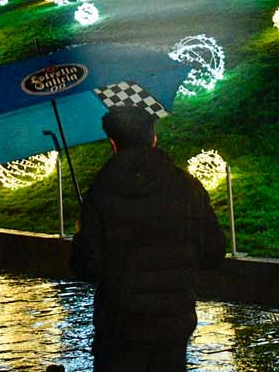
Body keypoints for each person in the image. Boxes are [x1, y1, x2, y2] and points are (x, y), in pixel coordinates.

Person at [71, 105, 226, 372]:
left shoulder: (100, 192)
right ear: (153, 138)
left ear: (113, 143)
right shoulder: (187, 187)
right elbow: (214, 251)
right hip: (173, 324)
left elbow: (87, 266)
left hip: (119, 327)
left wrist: (79, 237)